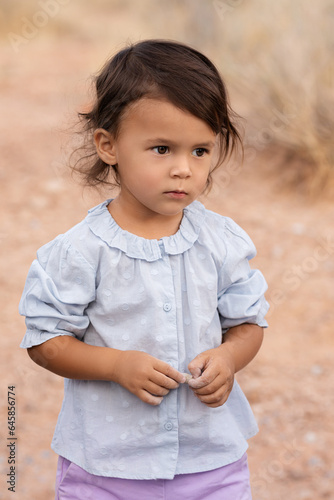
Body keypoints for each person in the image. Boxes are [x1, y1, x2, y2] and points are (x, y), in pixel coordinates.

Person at [19, 39, 269, 500]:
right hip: (107, 466)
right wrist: (115, 365)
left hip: (211, 463)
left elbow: (248, 323)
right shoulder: (80, 251)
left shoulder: (221, 241)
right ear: (108, 145)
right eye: (161, 149)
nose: (183, 170)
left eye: (200, 151)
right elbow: (45, 342)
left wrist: (229, 358)